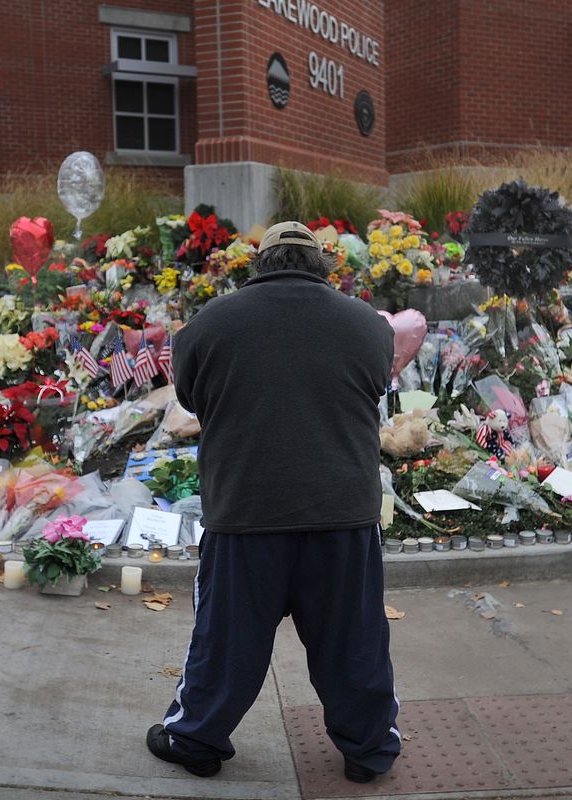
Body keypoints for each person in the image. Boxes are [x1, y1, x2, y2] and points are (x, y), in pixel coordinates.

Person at [145, 220, 401, 784]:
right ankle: (368, 749)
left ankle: (196, 738)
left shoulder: (208, 326)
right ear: (322, 266)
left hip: (246, 511)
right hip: (343, 515)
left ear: (259, 265)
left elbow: (189, 398)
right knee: (353, 641)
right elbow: (378, 383)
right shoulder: (368, 326)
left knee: (227, 641)